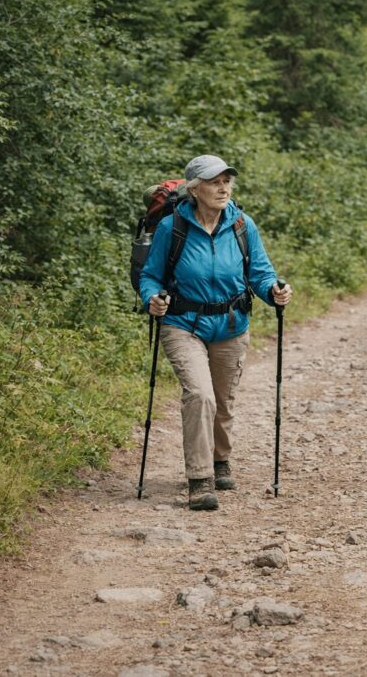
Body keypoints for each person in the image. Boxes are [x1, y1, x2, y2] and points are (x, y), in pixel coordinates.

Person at [140, 154, 293, 511]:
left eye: (227, 180)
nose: (223, 187)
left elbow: (260, 272)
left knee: (224, 402)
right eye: (214, 181)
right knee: (200, 395)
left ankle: (221, 460)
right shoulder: (172, 228)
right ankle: (200, 478)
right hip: (183, 324)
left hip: (231, 325)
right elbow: (151, 275)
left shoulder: (242, 224)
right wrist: (152, 297)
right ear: (195, 189)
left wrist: (274, 291)